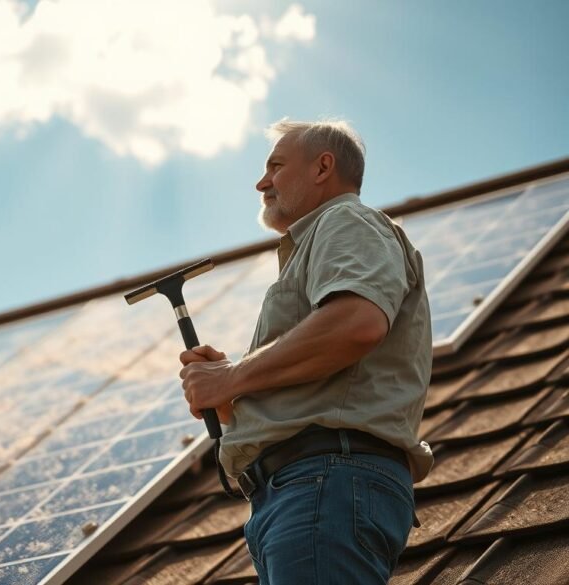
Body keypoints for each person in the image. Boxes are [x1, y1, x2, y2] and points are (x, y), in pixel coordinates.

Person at [179, 118, 433, 584]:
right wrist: (232, 400)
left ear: (323, 168)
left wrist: (233, 378)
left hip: (324, 481)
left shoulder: (345, 220)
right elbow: (322, 394)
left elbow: (357, 323)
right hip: (308, 488)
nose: (261, 182)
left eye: (275, 166)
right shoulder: (318, 243)